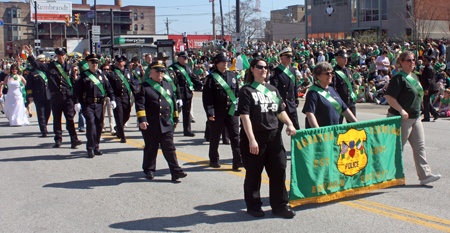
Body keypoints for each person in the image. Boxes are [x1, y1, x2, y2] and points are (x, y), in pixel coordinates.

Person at [238, 58, 297, 219]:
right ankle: (253, 205)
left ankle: (280, 205)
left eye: (266, 67)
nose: (264, 70)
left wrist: (290, 124)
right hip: (255, 137)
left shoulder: (273, 90)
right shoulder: (246, 91)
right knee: (254, 173)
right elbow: (245, 117)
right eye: (260, 67)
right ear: (252, 69)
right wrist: (251, 139)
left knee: (279, 170)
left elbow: (280, 111)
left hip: (274, 137)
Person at [384, 50, 441, 185]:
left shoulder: (415, 77)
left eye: (413, 60)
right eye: (409, 60)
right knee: (398, 148)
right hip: (401, 118)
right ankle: (392, 176)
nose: (412, 62)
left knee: (420, 147)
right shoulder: (399, 78)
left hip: (415, 118)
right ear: (401, 62)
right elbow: (389, 97)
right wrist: (401, 109)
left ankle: (425, 176)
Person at [135, 61, 187, 182]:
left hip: (166, 122)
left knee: (169, 148)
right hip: (151, 123)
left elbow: (173, 102)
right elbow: (140, 105)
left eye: (162, 71)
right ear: (151, 73)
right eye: (157, 71)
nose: (160, 74)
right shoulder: (143, 87)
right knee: (151, 148)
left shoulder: (168, 85)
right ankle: (149, 169)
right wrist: (142, 120)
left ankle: (175, 172)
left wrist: (175, 117)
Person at [24, 45, 82, 149]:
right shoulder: (51, 66)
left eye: (62, 55)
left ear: (65, 55)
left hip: (68, 96)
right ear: (56, 56)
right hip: (56, 96)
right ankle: (58, 139)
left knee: (69, 118)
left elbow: (74, 83)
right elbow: (37, 65)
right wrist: (30, 54)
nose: (61, 57)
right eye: (59, 55)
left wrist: (76, 99)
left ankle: (74, 139)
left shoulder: (70, 68)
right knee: (57, 118)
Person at [202, 52, 242, 169]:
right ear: (216, 63)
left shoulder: (233, 76)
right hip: (217, 112)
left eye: (227, 62)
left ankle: (238, 161)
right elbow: (207, 98)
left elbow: (237, 94)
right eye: (223, 62)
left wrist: (238, 109)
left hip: (232, 111)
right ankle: (214, 160)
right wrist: (210, 113)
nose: (226, 64)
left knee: (235, 137)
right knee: (215, 137)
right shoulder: (210, 78)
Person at [73, 54, 116, 158]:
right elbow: (76, 91)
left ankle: (96, 147)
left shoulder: (101, 76)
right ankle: (90, 148)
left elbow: (109, 89)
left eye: (96, 63)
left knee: (99, 126)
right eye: (92, 62)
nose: (94, 64)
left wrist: (113, 99)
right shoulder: (83, 76)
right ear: (88, 63)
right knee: (91, 125)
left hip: (99, 104)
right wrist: (76, 102)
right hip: (87, 104)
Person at [303, 62, 357, 128]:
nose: (330, 75)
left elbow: (345, 110)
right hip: (322, 134)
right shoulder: (313, 93)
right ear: (318, 76)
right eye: (327, 73)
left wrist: (357, 124)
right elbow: (310, 114)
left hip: (333, 132)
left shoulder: (332, 89)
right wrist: (318, 132)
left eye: (331, 73)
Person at [170, 52, 203, 136]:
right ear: (179, 58)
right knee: (175, 112)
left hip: (187, 92)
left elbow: (192, 77)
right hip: (177, 93)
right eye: (184, 58)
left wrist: (200, 84)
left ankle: (187, 130)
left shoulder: (188, 68)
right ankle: (169, 130)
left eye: (186, 58)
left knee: (187, 112)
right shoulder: (172, 68)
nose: (186, 60)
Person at [104, 54, 136, 143]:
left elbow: (133, 86)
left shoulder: (129, 73)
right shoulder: (112, 73)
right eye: (117, 61)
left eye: (121, 61)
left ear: (124, 62)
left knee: (127, 115)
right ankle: (122, 136)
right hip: (116, 97)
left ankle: (118, 127)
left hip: (126, 97)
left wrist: (138, 96)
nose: (119, 63)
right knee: (119, 116)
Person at [269, 47, 300, 134]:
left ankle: (297, 147)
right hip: (282, 104)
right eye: (287, 57)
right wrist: (280, 101)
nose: (290, 58)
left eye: (291, 57)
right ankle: (278, 147)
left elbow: (294, 86)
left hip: (291, 103)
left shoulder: (292, 70)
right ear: (281, 58)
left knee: (296, 127)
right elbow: (274, 88)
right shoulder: (275, 71)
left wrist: (296, 99)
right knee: (278, 129)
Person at [25, 54, 51, 136]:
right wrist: (30, 96)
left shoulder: (47, 71)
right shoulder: (32, 72)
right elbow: (28, 85)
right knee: (41, 113)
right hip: (38, 95)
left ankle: (45, 125)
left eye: (43, 61)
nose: (42, 63)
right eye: (40, 61)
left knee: (48, 112)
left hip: (48, 95)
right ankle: (43, 130)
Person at [331, 50, 357, 124]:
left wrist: (353, 97)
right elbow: (333, 88)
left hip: (350, 102)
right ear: (337, 58)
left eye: (346, 58)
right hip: (339, 103)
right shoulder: (334, 72)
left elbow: (352, 85)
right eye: (343, 57)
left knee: (353, 125)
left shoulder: (348, 71)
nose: (346, 59)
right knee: (338, 125)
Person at [420, 55, 439, 122]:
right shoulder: (426, 68)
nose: (423, 62)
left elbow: (429, 80)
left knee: (426, 102)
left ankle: (427, 117)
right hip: (429, 87)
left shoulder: (428, 68)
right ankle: (435, 114)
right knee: (427, 101)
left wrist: (427, 89)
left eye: (425, 60)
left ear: (428, 61)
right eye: (423, 60)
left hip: (430, 87)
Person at [100, 63, 116, 135]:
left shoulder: (112, 76)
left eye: (107, 69)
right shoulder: (100, 76)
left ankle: (112, 128)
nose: (106, 71)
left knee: (110, 113)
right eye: (104, 69)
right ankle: (102, 127)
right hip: (102, 95)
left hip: (109, 96)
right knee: (102, 113)